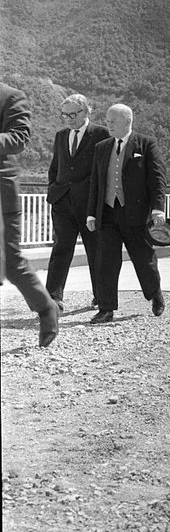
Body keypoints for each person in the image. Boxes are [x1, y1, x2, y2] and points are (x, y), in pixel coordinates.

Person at [85, 103, 169, 324]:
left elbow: (158, 180)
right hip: (108, 213)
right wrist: (91, 214)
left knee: (143, 258)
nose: (108, 124)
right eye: (107, 120)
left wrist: (158, 208)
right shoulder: (102, 147)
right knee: (105, 261)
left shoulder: (146, 144)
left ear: (127, 121)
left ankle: (155, 293)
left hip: (136, 214)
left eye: (113, 120)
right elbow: (96, 182)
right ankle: (106, 309)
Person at [1, 83, 60, 347]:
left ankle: (46, 308)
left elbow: (19, 138)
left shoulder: (11, 96)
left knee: (11, 262)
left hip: (1, 192)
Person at [45, 93, 110, 310]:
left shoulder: (101, 133)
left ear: (86, 111)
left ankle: (101, 296)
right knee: (61, 249)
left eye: (74, 114)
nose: (70, 119)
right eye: (65, 115)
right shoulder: (61, 135)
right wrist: (53, 189)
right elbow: (55, 167)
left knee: (95, 250)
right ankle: (53, 298)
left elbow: (104, 169)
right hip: (62, 202)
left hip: (89, 204)